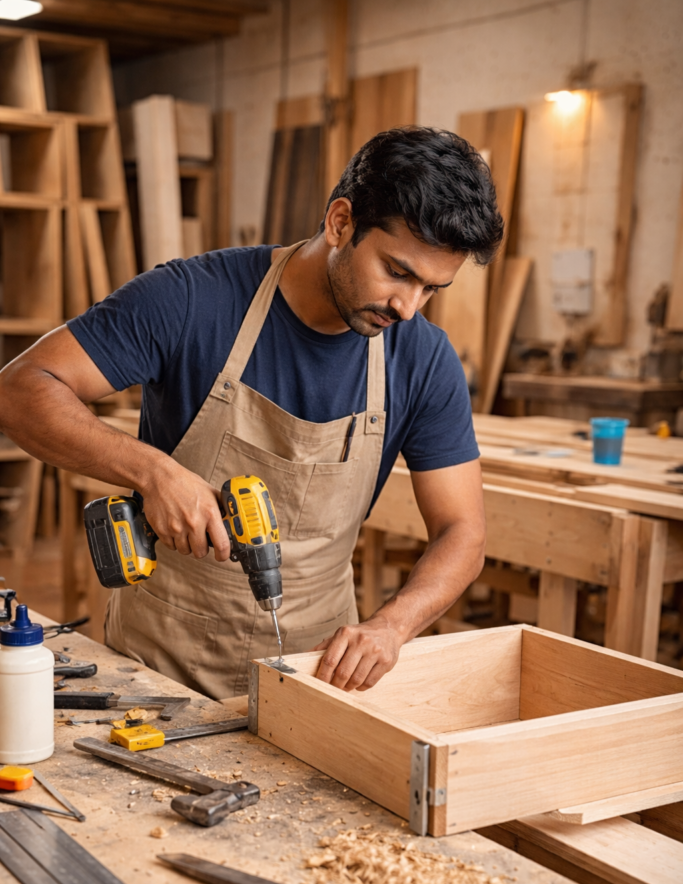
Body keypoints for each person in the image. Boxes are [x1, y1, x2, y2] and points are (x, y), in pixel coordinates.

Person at [0, 126, 502, 700]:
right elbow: (20, 389)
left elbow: (462, 533)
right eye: (398, 272)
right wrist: (152, 472)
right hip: (160, 665)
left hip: (316, 675)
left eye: (432, 289)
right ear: (341, 222)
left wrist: (391, 626)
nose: (408, 307)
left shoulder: (424, 360)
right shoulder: (193, 299)